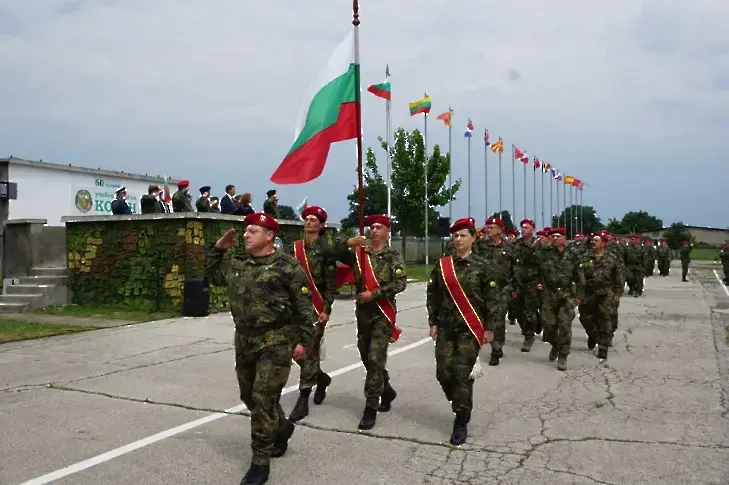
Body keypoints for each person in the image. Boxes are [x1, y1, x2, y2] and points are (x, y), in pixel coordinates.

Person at [205, 212, 315, 485]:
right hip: (244, 339)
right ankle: (283, 426)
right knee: (249, 396)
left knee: (264, 398)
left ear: (269, 235)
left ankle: (260, 462)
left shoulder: (287, 266)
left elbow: (305, 309)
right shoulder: (237, 264)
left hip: (276, 339)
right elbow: (210, 275)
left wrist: (303, 342)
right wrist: (219, 249)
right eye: (245, 231)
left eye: (252, 230)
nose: (245, 235)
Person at [331, 214, 407, 430]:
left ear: (387, 232)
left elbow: (400, 283)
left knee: (375, 359)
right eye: (371, 227)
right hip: (362, 315)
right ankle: (387, 390)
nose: (373, 230)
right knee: (366, 356)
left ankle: (370, 407)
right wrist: (348, 242)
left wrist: (373, 295)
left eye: (378, 227)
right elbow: (330, 252)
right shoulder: (358, 253)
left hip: (382, 313)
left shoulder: (393, 255)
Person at [426, 217, 494, 445]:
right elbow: (433, 294)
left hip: (470, 328)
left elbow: (493, 299)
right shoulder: (443, 264)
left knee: (461, 373)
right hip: (446, 326)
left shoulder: (483, 266)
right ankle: (459, 403)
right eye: (455, 235)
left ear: (473, 238)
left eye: (463, 235)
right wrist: (433, 321)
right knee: (443, 372)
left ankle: (461, 419)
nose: (458, 239)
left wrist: (491, 327)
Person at [287, 206, 338, 422]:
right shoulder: (295, 248)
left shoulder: (327, 250)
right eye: (306, 219)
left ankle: (303, 399)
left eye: (313, 219)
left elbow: (330, 284)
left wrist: (326, 309)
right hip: (294, 308)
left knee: (308, 351)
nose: (308, 222)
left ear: (321, 225)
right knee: (294, 350)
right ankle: (321, 378)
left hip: (316, 310)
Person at [536, 227, 585, 371]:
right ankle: (555, 344)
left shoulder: (573, 254)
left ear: (564, 238)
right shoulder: (544, 254)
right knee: (548, 326)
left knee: (564, 325)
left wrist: (578, 297)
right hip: (548, 294)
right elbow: (531, 266)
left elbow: (580, 277)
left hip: (566, 295)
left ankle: (563, 355)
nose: (555, 238)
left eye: (558, 236)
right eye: (553, 236)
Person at [474, 216, 515, 366]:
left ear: (500, 229)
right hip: (484, 289)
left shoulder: (510, 247)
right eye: (487, 227)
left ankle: (496, 349)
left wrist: (514, 288)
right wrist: (476, 231)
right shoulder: (481, 245)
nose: (488, 230)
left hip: (503, 288)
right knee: (485, 318)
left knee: (497, 319)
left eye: (491, 227)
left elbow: (515, 268)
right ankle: (494, 344)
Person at [580, 231, 623, 361]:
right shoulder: (585, 257)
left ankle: (603, 346)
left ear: (604, 243)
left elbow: (619, 278)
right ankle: (592, 334)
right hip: (589, 292)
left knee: (605, 319)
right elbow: (579, 275)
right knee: (585, 318)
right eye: (592, 240)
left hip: (606, 292)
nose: (593, 242)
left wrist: (617, 294)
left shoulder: (613, 258)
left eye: (596, 240)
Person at [514, 219, 541, 352]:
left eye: (526, 228)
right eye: (522, 227)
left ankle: (528, 337)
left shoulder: (539, 244)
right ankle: (527, 328)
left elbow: (544, 264)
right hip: (518, 282)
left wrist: (542, 282)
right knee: (517, 312)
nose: (523, 230)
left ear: (532, 230)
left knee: (528, 312)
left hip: (532, 282)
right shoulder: (517, 244)